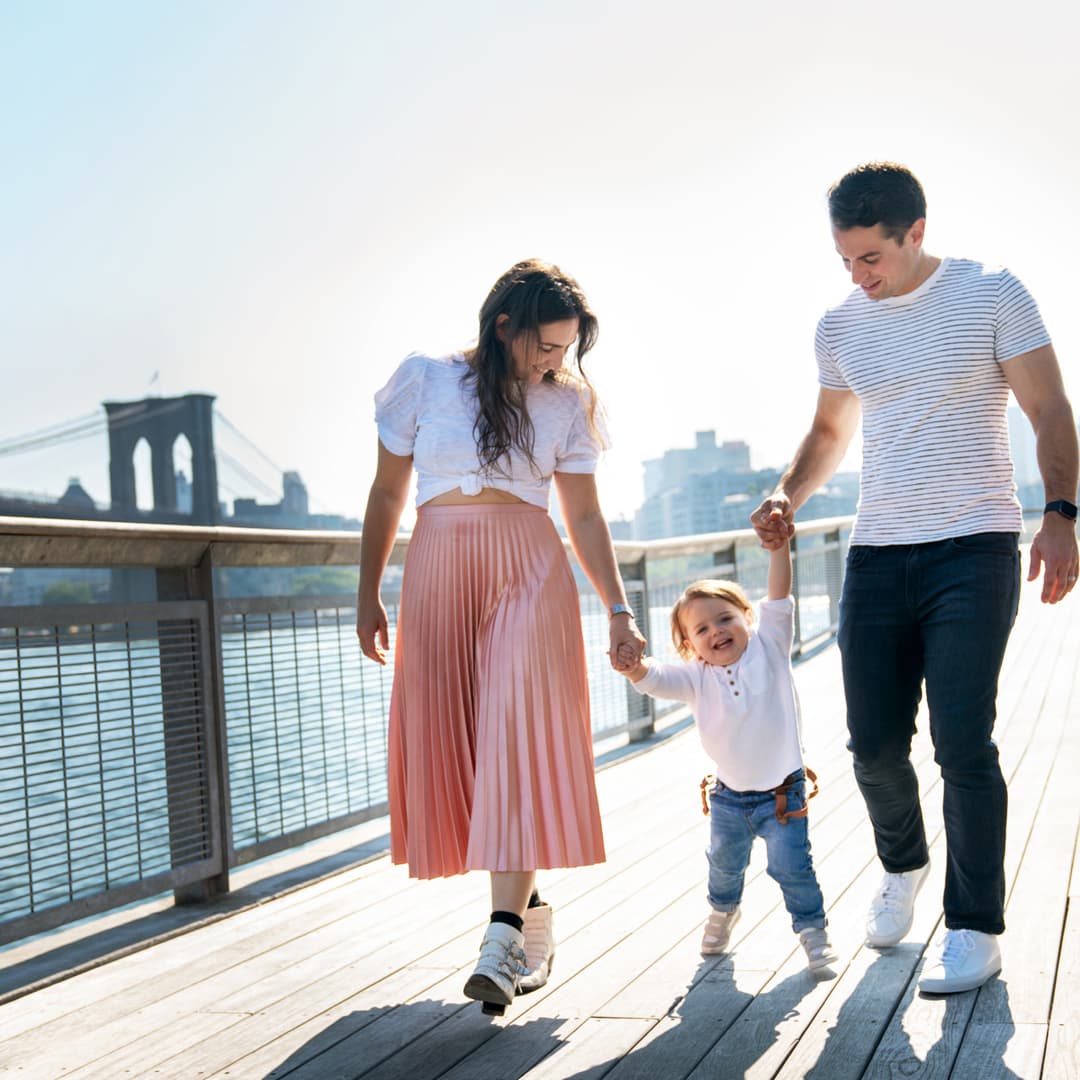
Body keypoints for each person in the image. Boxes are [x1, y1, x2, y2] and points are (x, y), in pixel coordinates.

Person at [752, 162, 1079, 994]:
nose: (860, 277)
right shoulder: (839, 326)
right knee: (871, 748)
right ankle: (904, 866)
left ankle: (974, 928)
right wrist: (787, 492)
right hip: (877, 552)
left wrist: (1062, 513)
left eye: (872, 258)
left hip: (973, 546)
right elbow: (830, 429)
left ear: (916, 232)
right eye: (846, 261)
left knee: (963, 743)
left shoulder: (992, 293)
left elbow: (1050, 409)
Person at [357, 258, 646, 1015]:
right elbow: (389, 492)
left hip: (528, 568)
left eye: (568, 349)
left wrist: (618, 609)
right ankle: (531, 910)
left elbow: (582, 516)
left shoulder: (567, 405)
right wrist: (367, 593)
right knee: (471, 744)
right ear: (503, 326)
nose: (556, 362)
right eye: (546, 346)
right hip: (439, 566)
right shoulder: (425, 378)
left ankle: (502, 933)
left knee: (516, 735)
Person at [615, 531, 837, 972]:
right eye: (701, 629)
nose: (716, 631)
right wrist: (634, 666)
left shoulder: (770, 645)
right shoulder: (695, 677)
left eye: (725, 618)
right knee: (723, 867)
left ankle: (813, 933)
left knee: (793, 868)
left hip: (782, 796)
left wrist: (777, 547)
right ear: (689, 647)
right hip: (729, 800)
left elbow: (779, 595)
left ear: (746, 618)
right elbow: (657, 679)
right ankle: (722, 913)